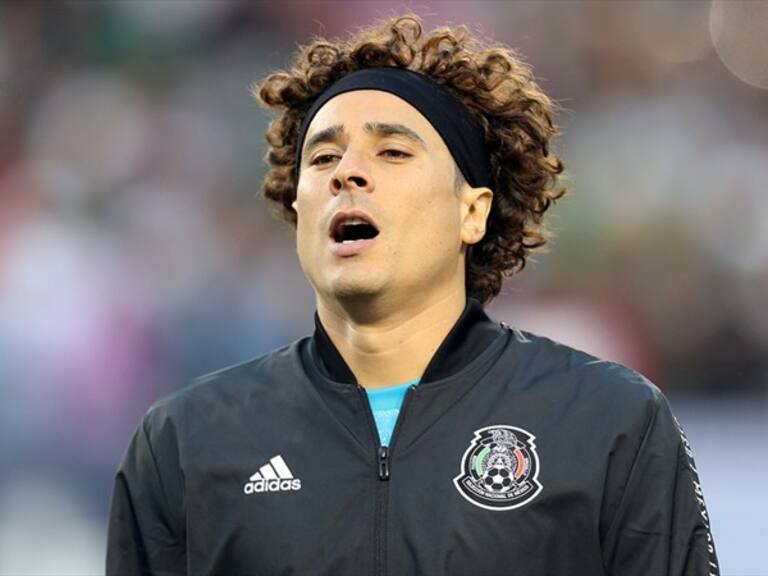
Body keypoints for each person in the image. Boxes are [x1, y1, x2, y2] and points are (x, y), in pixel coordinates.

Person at [106, 14, 720, 576]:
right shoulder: (186, 442)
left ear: (471, 212)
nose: (346, 171)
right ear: (298, 209)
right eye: (321, 158)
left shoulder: (608, 420)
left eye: (392, 151)